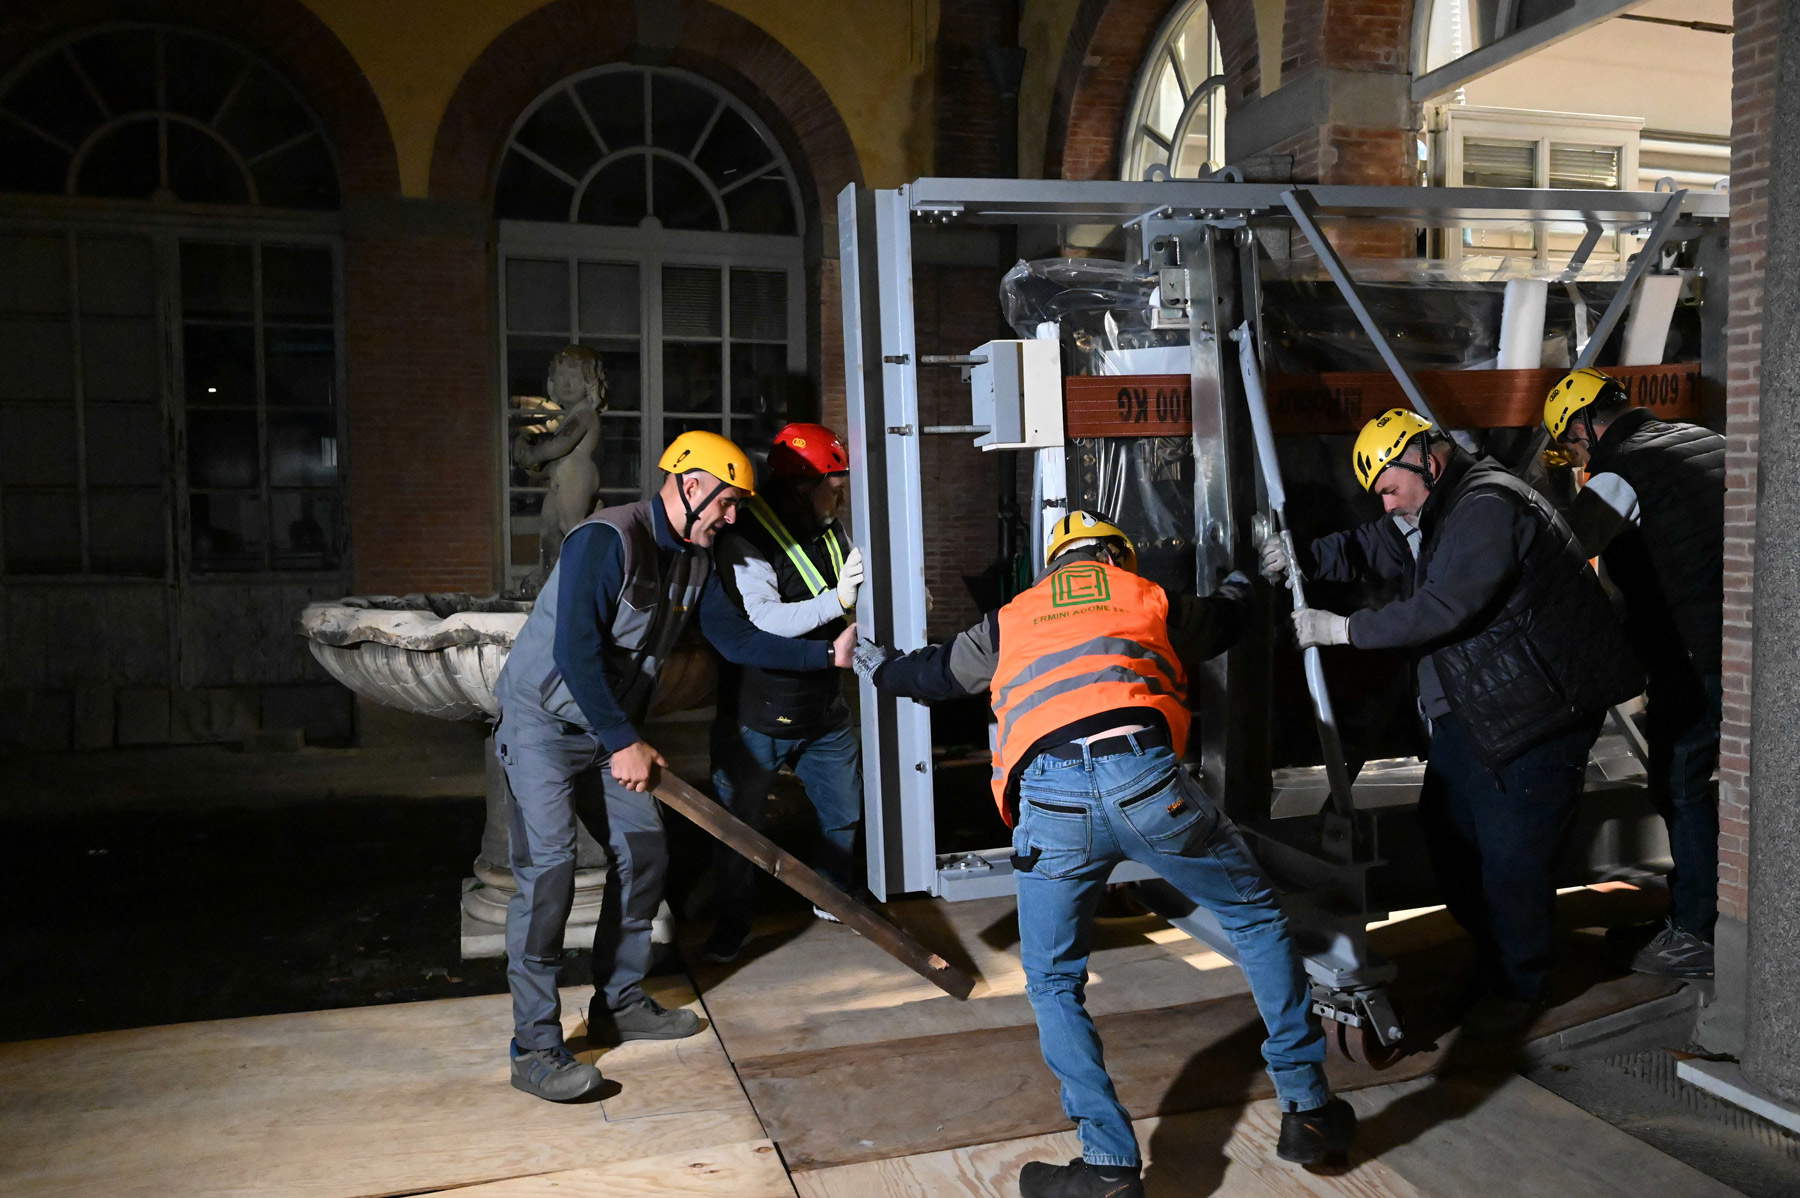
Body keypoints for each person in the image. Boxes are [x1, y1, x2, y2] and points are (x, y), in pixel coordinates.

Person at [856, 512, 1355, 1197]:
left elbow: (937, 675)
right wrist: (1259, 572)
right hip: (1146, 783)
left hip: (1051, 798)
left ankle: (1108, 1166)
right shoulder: (1142, 594)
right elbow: (1227, 618)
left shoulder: (1013, 616)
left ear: (1053, 564)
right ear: (1116, 556)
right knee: (1256, 921)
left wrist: (877, 665)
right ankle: (1308, 1112)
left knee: (1055, 980)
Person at [493, 429, 858, 1103]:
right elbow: (575, 650)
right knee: (548, 874)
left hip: (612, 728)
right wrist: (624, 739)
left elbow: (737, 638)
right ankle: (534, 1046)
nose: (732, 519)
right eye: (725, 504)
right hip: (544, 723)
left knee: (645, 853)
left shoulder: (695, 554)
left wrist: (825, 655)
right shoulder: (607, 540)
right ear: (691, 487)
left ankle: (621, 1000)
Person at [1263, 408, 1644, 1036]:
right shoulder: (1439, 508)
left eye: (1389, 489)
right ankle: (1497, 958)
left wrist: (1344, 631)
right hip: (1488, 704)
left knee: (1511, 857)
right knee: (1450, 837)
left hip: (1538, 709)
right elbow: (1373, 546)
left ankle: (1521, 984)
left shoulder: (1487, 507)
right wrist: (1301, 559)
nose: (1386, 506)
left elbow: (1444, 605)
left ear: (1426, 462)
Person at [1544, 368, 1724, 978]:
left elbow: (1562, 553)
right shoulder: (1702, 440)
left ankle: (1699, 931)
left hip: (1694, 650)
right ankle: (1698, 910)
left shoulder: (1621, 473)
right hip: (1754, 643)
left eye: (1570, 447)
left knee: (1680, 782)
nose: (1575, 459)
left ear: (1584, 423)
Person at [702, 422, 867, 962]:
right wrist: (838, 602)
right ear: (802, 485)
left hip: (822, 702)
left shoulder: (826, 528)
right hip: (759, 708)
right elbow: (765, 620)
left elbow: (850, 593)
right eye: (833, 486)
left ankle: (833, 896)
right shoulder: (742, 538)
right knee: (740, 825)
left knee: (841, 810)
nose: (839, 496)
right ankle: (732, 921)